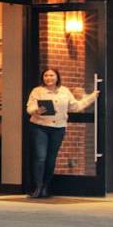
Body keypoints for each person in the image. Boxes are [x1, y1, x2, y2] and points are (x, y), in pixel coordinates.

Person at [25, 67, 98, 199]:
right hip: (40, 126)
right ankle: (38, 186)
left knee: (51, 159)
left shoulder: (64, 91)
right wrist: (37, 110)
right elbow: (29, 108)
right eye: (46, 75)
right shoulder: (37, 91)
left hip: (58, 128)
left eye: (51, 75)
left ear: (57, 77)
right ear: (43, 78)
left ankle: (46, 186)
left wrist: (92, 97)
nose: (48, 78)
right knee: (40, 157)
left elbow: (75, 107)